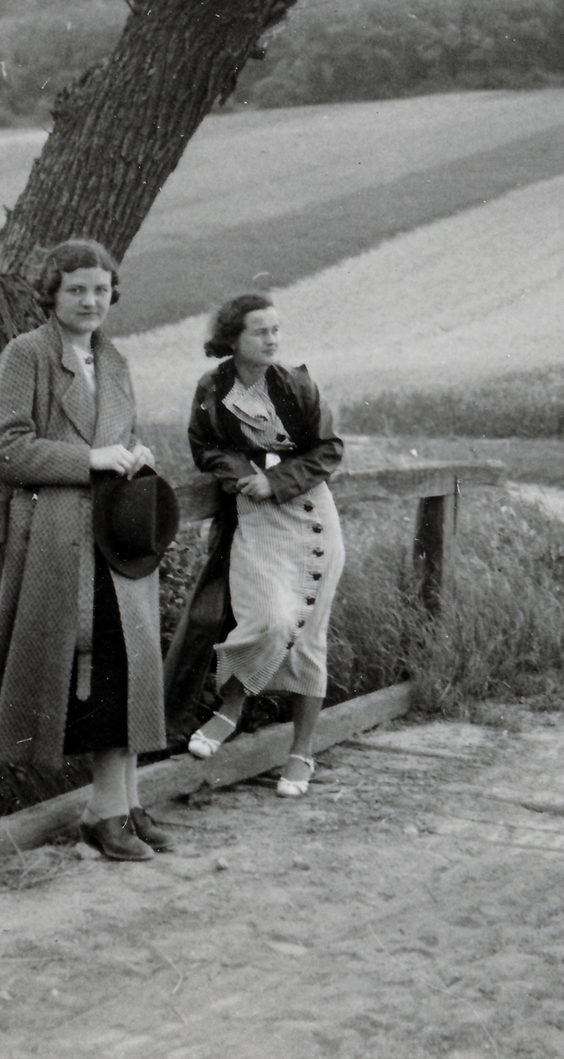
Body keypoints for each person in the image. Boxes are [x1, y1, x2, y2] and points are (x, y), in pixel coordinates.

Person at [0, 238, 173, 861]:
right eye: (76, 289)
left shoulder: (115, 361)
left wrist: (135, 454)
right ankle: (101, 813)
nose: (90, 301)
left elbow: (120, 436)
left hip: (119, 542)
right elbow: (4, 452)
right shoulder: (25, 356)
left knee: (131, 668)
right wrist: (90, 459)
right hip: (60, 542)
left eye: (101, 290)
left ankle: (128, 805)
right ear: (51, 294)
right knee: (98, 667)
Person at [163, 293, 345, 797]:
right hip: (254, 518)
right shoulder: (212, 388)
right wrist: (243, 474)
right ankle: (231, 709)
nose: (272, 340)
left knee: (307, 636)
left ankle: (301, 752)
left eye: (276, 331)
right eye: (260, 332)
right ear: (233, 339)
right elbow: (205, 447)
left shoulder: (297, 384)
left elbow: (329, 448)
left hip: (309, 515)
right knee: (268, 619)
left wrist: (278, 479)